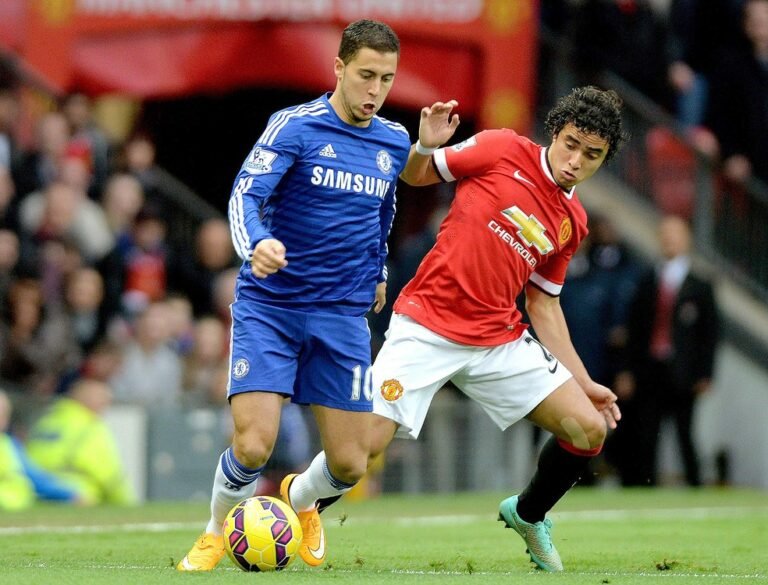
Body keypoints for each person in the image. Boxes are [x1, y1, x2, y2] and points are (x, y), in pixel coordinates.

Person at [177, 19, 412, 571]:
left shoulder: (393, 141)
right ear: (338, 68)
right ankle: (215, 531)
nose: (375, 91)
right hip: (273, 308)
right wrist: (256, 244)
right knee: (254, 444)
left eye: (387, 78)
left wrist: (377, 270)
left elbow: (384, 214)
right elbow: (245, 194)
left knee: (353, 462)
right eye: (365, 75)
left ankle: (299, 501)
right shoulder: (294, 126)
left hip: (343, 316)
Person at [366, 86, 627, 572]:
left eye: (592, 155)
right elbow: (417, 175)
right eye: (571, 143)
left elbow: (543, 304)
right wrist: (424, 145)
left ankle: (529, 514)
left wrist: (585, 382)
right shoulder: (502, 147)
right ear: (555, 131)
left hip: (496, 339)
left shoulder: (573, 221)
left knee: (590, 431)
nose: (576, 160)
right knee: (360, 450)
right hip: (428, 323)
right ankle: (301, 504)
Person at [612, 214, 719, 486]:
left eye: (676, 234)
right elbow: (633, 331)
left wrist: (705, 374)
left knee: (685, 433)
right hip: (649, 370)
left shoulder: (701, 285)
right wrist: (626, 370)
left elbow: (709, 335)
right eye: (665, 234)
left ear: (687, 240)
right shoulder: (647, 281)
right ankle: (645, 485)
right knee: (646, 433)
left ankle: (695, 485)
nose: (670, 240)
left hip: (684, 373)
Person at [24, 378, 135, 505]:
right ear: (90, 400)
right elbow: (109, 474)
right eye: (104, 399)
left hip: (36, 496)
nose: (106, 405)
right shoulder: (91, 427)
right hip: (78, 496)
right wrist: (126, 503)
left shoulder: (46, 422)